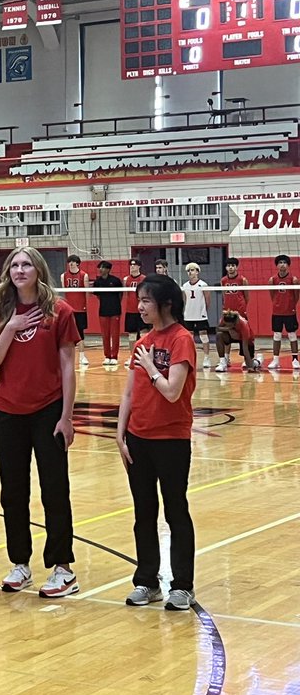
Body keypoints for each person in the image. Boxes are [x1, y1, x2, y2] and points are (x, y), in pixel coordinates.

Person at [0, 248, 80, 598]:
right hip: (8, 411)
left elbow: (68, 365)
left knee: (54, 490)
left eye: (26, 264)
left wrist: (67, 416)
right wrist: (11, 327)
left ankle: (62, 568)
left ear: (38, 270)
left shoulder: (60, 311)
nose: (20, 270)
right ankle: (20, 563)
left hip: (48, 410)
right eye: (15, 265)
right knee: (13, 492)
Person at [116, 274, 199, 611]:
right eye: (139, 300)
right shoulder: (141, 342)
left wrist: (151, 365)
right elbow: (129, 391)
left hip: (172, 439)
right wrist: (120, 433)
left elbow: (172, 390)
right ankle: (147, 581)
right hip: (139, 439)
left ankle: (182, 585)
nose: (140, 306)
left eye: (146, 300)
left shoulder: (182, 340)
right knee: (143, 512)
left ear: (166, 303)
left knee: (175, 509)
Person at [267, 254, 299, 371]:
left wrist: (290, 306)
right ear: (277, 265)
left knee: (292, 334)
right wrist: (278, 305)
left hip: (290, 312)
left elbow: (296, 297)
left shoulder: (293, 279)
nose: (282, 265)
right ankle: (275, 359)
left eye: (284, 262)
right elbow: (272, 296)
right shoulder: (272, 280)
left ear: (288, 265)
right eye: (280, 263)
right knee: (277, 335)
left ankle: (295, 359)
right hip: (277, 312)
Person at [61, 255, 90, 368]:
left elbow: (87, 292)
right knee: (68, 335)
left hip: (80, 309)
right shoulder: (63, 276)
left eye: (73, 262)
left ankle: (82, 356)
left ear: (78, 263)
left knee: (80, 333)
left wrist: (84, 306)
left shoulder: (84, 275)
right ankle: (69, 357)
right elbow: (64, 291)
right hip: (69, 309)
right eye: (69, 262)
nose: (71, 264)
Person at [182, 263, 212, 369]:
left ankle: (206, 357)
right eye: (188, 270)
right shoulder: (185, 285)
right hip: (188, 315)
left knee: (203, 335)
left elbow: (208, 300)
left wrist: (204, 311)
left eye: (193, 270)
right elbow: (185, 300)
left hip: (200, 314)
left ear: (197, 271)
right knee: (189, 338)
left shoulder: (203, 285)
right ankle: (191, 357)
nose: (190, 272)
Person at [93, 261, 123, 365]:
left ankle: (114, 356)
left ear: (108, 269)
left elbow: (121, 295)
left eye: (102, 268)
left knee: (114, 335)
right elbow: (97, 295)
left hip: (115, 311)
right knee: (105, 335)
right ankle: (107, 356)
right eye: (99, 267)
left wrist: (114, 304)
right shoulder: (97, 282)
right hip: (103, 311)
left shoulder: (116, 281)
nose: (100, 270)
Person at [123, 260, 146, 365]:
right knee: (131, 336)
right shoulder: (126, 279)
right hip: (130, 311)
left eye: (134, 265)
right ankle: (132, 357)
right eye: (131, 265)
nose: (132, 267)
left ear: (139, 267)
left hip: (141, 311)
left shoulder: (144, 279)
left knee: (143, 334)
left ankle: (144, 357)